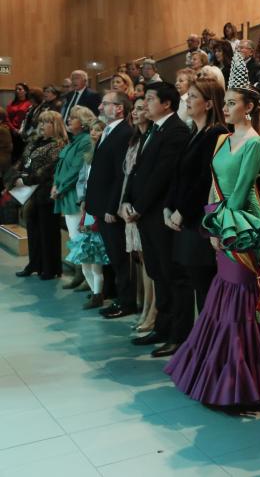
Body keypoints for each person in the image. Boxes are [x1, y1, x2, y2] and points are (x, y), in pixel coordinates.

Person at [166, 55, 260, 407]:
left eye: (233, 103)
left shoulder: (255, 142)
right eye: (226, 103)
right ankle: (218, 370)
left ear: (249, 107)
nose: (228, 108)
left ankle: (249, 376)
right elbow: (213, 184)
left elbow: (240, 193)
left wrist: (223, 228)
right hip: (220, 221)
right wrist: (211, 225)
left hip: (244, 225)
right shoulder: (222, 141)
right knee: (222, 294)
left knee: (242, 295)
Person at [121, 82, 192, 355]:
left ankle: (179, 334)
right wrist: (127, 201)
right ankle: (162, 326)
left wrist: (138, 206)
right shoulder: (153, 129)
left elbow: (162, 175)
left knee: (171, 275)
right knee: (156, 272)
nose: (146, 104)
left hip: (159, 213)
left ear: (167, 104)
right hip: (145, 213)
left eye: (150, 99)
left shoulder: (175, 131)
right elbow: (137, 170)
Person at [164, 78, 228, 321]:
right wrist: (169, 207)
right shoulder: (195, 132)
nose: (187, 100)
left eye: (193, 96)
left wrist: (182, 210)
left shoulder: (217, 133)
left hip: (200, 220)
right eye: (187, 96)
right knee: (195, 284)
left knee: (206, 288)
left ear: (210, 104)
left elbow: (205, 180)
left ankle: (211, 350)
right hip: (187, 219)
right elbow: (179, 174)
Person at [85, 91, 136, 318]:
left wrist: (110, 207)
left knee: (119, 257)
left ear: (119, 108)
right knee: (113, 257)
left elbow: (120, 175)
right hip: (99, 204)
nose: (100, 107)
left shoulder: (124, 132)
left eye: (106, 104)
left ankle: (126, 302)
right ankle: (117, 297)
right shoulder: (108, 131)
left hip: (110, 208)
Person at [7, 111, 66, 280]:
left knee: (48, 232)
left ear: (55, 125)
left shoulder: (59, 145)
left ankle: (50, 268)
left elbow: (48, 170)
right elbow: (22, 161)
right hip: (29, 193)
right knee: (32, 231)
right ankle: (34, 264)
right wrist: (15, 176)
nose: (41, 126)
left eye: (46, 122)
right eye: (40, 122)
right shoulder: (35, 141)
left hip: (46, 192)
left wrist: (25, 180)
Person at [116, 97, 157, 332]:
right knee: (141, 261)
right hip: (129, 204)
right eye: (135, 108)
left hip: (143, 209)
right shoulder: (135, 139)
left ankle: (153, 310)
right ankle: (145, 306)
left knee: (150, 262)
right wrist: (124, 203)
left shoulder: (151, 138)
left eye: (142, 108)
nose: (136, 112)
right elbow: (127, 176)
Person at [66, 118, 110, 309]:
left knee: (95, 258)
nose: (94, 133)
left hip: (99, 209)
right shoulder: (89, 156)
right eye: (92, 130)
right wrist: (82, 199)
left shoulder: (105, 154)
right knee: (85, 259)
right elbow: (82, 181)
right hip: (87, 207)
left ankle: (98, 293)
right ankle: (94, 291)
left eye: (99, 130)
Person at [52, 105, 96, 282]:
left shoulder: (85, 140)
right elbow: (61, 166)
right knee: (74, 237)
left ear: (83, 123)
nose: (68, 120)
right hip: (65, 193)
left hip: (74, 195)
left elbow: (76, 169)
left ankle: (86, 278)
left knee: (80, 238)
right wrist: (55, 184)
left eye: (73, 117)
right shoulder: (74, 140)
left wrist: (60, 187)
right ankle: (81, 275)